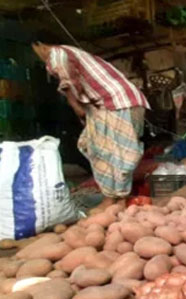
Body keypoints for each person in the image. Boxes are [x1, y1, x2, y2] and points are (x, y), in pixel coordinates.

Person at [32, 42, 149, 211]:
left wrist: (77, 109)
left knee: (113, 152)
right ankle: (115, 197)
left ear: (41, 45)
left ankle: (116, 199)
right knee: (99, 148)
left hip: (115, 102)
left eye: (35, 49)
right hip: (114, 103)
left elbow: (68, 83)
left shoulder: (57, 53)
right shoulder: (71, 52)